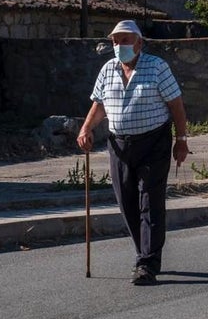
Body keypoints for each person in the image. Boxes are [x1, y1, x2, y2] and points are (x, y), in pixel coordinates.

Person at [77, 20, 190, 286]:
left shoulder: (157, 67)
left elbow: (176, 105)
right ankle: (144, 253)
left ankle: (147, 263)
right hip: (119, 146)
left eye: (125, 40)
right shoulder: (107, 70)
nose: (119, 46)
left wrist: (182, 140)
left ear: (139, 43)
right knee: (127, 203)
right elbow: (99, 105)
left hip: (154, 143)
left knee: (149, 201)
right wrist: (85, 130)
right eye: (116, 41)